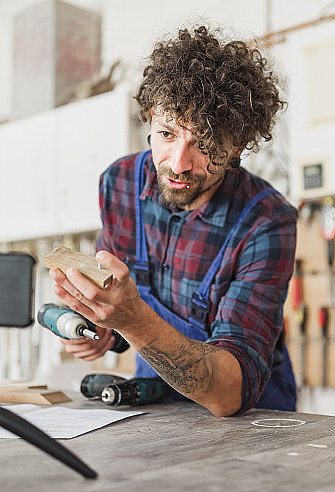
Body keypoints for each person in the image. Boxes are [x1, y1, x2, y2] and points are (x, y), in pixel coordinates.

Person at [49, 24, 297, 417]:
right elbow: (117, 303)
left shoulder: (267, 222)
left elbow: (230, 393)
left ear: (237, 146)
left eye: (204, 144)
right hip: (157, 408)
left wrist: (132, 320)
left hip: (252, 423)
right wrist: (100, 328)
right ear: (151, 119)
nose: (178, 164)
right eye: (166, 134)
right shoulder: (120, 184)